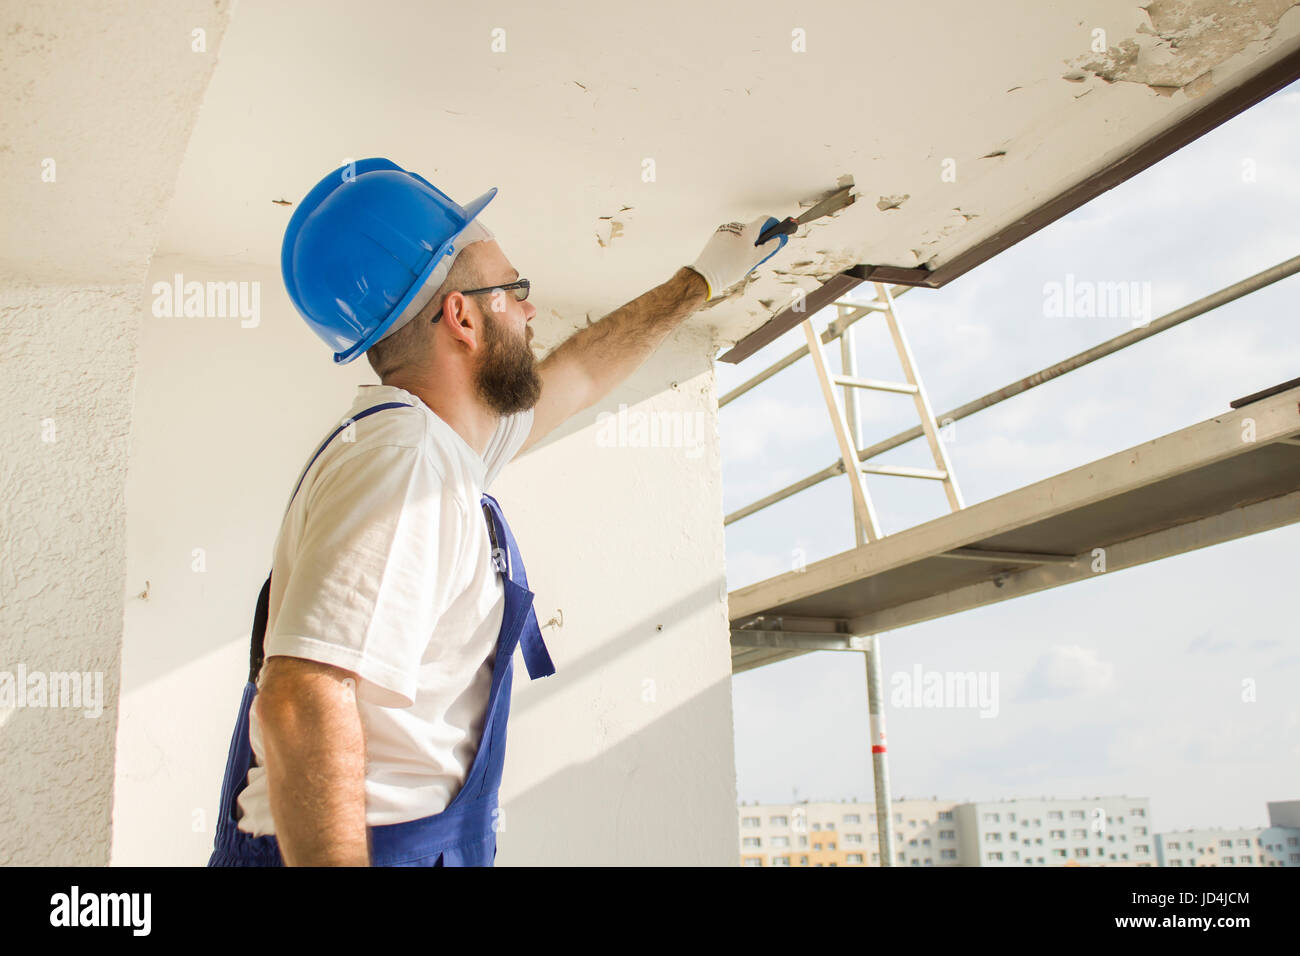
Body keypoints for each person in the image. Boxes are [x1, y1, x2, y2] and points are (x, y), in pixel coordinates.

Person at [207, 157, 789, 866]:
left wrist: (699, 282)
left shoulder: (443, 449)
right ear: (462, 316)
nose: (532, 309)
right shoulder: (404, 460)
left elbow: (577, 375)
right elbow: (302, 696)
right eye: (516, 290)